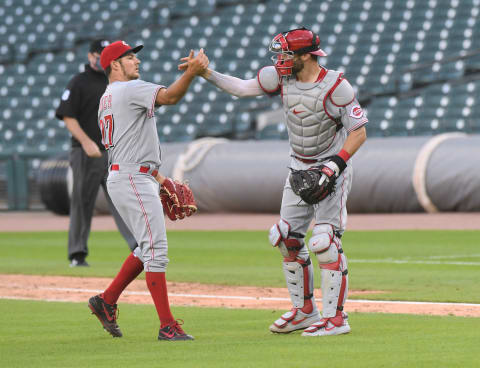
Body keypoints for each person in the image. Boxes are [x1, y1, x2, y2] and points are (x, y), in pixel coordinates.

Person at [196, 27, 367, 337]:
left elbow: (359, 131)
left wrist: (335, 165)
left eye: (287, 54)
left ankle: (336, 319)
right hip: (299, 168)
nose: (280, 61)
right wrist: (207, 72)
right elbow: (242, 88)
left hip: (331, 168)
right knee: (285, 237)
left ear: (306, 55)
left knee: (325, 242)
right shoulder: (281, 77)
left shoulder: (336, 86)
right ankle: (304, 311)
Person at [88, 40, 208, 341]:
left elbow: (133, 144)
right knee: (156, 251)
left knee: (147, 246)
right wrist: (192, 73)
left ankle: (107, 299)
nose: (136, 62)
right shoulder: (129, 89)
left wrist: (161, 178)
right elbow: (170, 97)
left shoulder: (108, 97)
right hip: (131, 178)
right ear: (114, 65)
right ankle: (167, 326)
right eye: (129, 58)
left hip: (132, 174)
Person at [55, 39, 138, 267]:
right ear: (91, 56)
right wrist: (86, 142)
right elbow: (67, 116)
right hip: (86, 153)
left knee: (123, 199)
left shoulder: (114, 82)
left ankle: (138, 248)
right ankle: (77, 254)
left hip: (113, 152)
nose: (102, 58)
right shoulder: (78, 82)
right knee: (82, 202)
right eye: (99, 54)